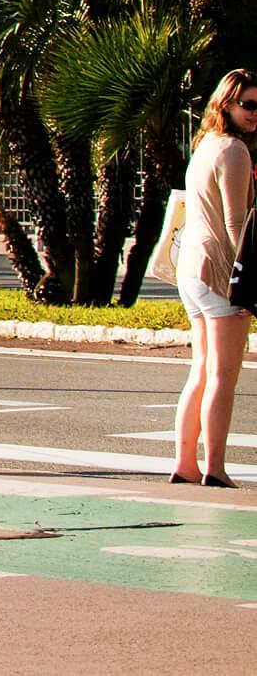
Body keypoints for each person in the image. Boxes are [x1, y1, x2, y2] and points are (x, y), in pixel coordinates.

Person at [170, 69, 257, 485]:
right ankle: (215, 469)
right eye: (248, 105)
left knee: (201, 369)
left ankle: (185, 465)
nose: (254, 114)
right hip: (220, 268)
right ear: (227, 104)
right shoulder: (235, 151)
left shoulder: (204, 146)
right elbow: (236, 222)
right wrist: (250, 276)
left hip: (192, 269)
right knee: (223, 374)